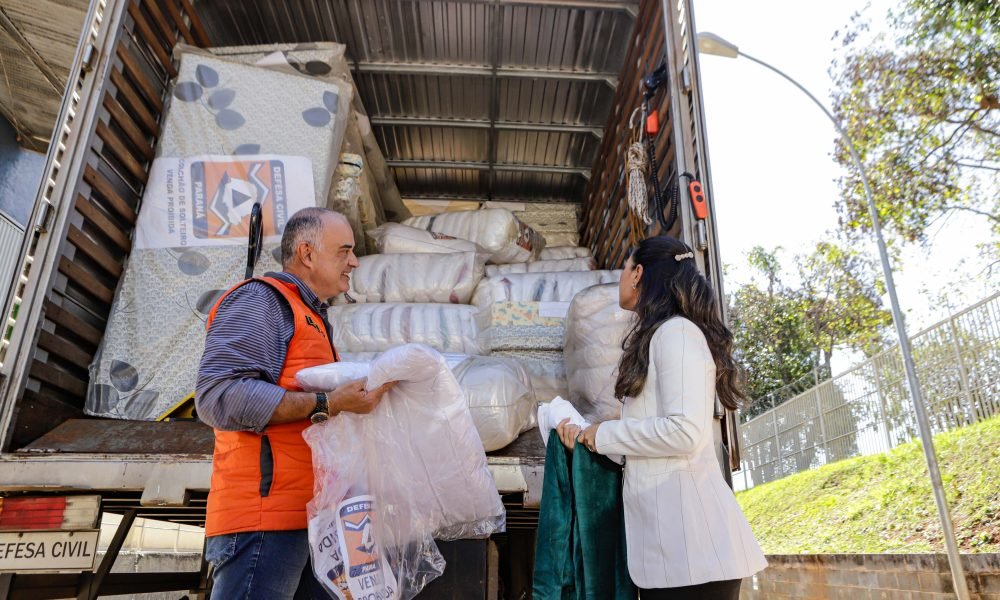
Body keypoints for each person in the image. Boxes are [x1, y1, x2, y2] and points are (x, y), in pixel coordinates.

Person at [196, 207, 395, 599]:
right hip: (261, 521)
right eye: (344, 250)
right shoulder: (261, 301)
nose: (354, 261)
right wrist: (328, 402)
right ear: (306, 253)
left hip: (307, 519)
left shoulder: (313, 317)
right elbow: (218, 394)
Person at [557, 235, 767, 599]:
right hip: (671, 558)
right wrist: (587, 441)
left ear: (638, 273)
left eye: (624, 268)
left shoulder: (678, 333)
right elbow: (649, 444)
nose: (621, 277)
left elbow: (683, 432)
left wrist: (604, 433)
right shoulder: (659, 336)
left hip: (696, 556)